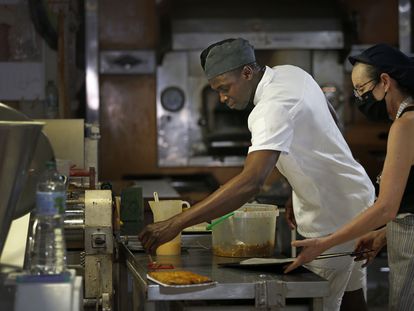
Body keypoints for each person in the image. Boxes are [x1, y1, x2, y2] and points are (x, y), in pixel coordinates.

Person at [138, 38, 375, 311]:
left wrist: (175, 223)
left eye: (225, 88)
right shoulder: (291, 73)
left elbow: (251, 182)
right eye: (216, 91)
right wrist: (297, 185)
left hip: (332, 219)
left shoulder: (269, 109)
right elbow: (328, 118)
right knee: (352, 296)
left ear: (247, 73)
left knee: (321, 303)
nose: (223, 98)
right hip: (358, 201)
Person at [284, 43, 414, 311]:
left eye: (362, 90)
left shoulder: (406, 125)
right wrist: (382, 236)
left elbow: (387, 207)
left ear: (385, 82)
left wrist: (325, 243)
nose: (359, 99)